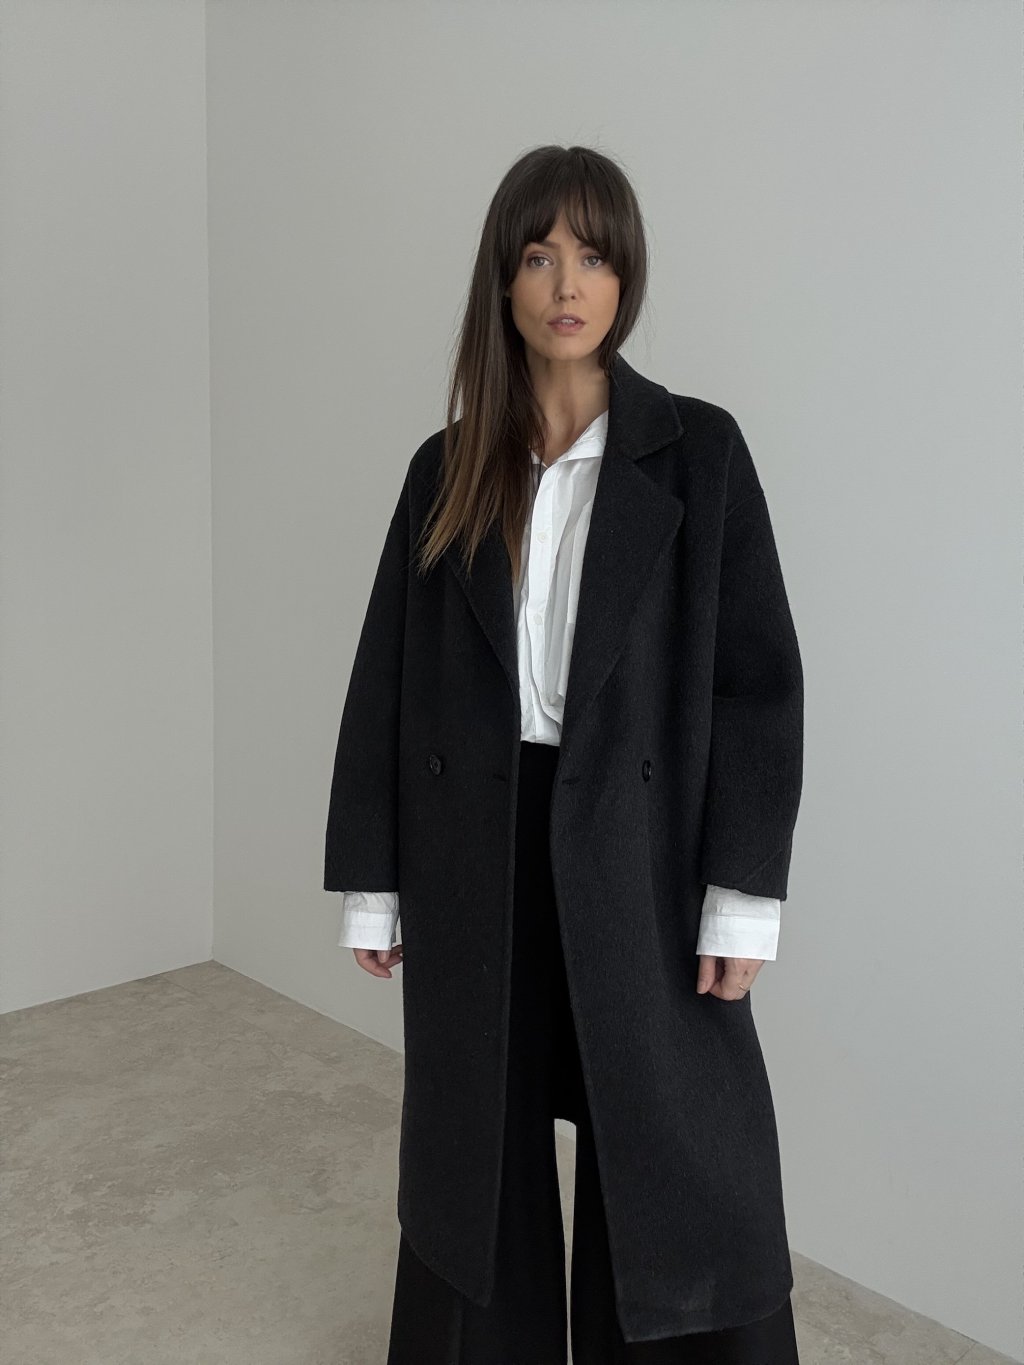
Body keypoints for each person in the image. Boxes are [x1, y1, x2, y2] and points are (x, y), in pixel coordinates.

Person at [324, 144, 804, 1363]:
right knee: (472, 1143)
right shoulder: (445, 470)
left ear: (625, 274)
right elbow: (388, 681)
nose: (566, 283)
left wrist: (740, 898)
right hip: (475, 847)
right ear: (504, 280)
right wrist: (375, 879)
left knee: (676, 1145)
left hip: (638, 850)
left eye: (591, 255)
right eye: (538, 256)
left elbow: (756, 688)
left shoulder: (699, 453)